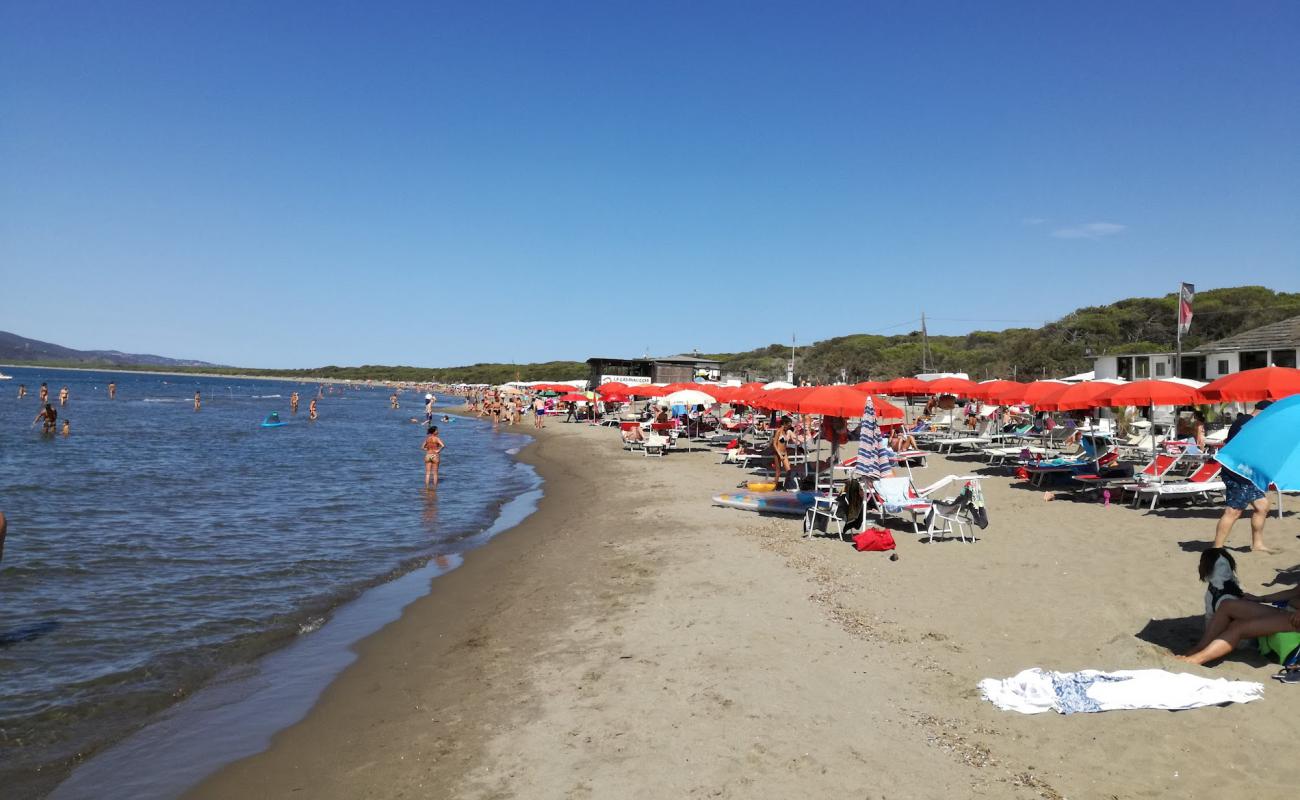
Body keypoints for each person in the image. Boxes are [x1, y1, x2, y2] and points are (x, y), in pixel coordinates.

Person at [1176, 584, 1300, 666]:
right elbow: (1295, 591)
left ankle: (1197, 659)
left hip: (1294, 620)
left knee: (1239, 627)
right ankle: (1200, 647)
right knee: (1227, 605)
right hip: (1289, 611)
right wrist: (1261, 598)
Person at [1213, 401, 1273, 553]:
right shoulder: (1246, 422)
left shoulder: (1248, 422)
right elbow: (1245, 446)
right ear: (1264, 412)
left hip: (1248, 474)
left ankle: (1257, 544)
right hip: (1237, 472)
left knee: (1262, 506)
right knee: (1233, 511)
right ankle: (1217, 549)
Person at [772, 417, 793, 487]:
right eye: (789, 425)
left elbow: (783, 443)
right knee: (778, 472)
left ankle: (786, 486)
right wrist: (779, 454)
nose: (789, 427)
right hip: (778, 453)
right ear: (784, 424)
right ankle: (774, 487)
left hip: (784, 453)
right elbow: (774, 444)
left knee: (789, 471)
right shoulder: (778, 431)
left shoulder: (785, 431)